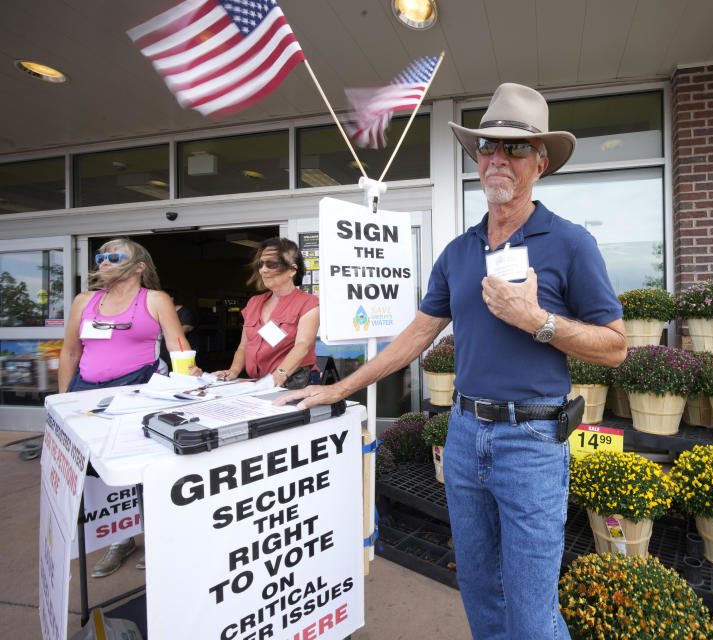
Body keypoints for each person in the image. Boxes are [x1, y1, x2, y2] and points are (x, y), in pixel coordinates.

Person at [278, 83, 626, 639]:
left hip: (532, 442)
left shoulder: (570, 243)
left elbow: (615, 346)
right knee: (481, 593)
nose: (498, 158)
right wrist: (339, 389)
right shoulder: (459, 251)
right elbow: (416, 335)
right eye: (488, 147)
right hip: (464, 437)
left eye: (514, 149)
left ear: (540, 162)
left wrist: (538, 320)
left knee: (533, 614)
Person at [59, 237, 196, 577]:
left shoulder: (155, 300)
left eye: (114, 256)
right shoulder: (84, 300)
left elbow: (178, 347)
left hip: (137, 393)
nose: (103, 262)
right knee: (96, 475)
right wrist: (63, 401)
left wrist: (191, 379)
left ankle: (156, 537)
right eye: (100, 256)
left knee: (141, 470)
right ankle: (120, 540)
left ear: (138, 267)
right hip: (86, 395)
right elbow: (70, 352)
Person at [210, 237, 320, 389]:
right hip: (260, 382)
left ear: (292, 270)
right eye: (261, 264)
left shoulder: (309, 302)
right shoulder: (254, 302)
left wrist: (280, 374)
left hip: (295, 381)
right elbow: (243, 346)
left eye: (272, 264)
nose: (263, 270)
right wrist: (233, 370)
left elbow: (303, 345)